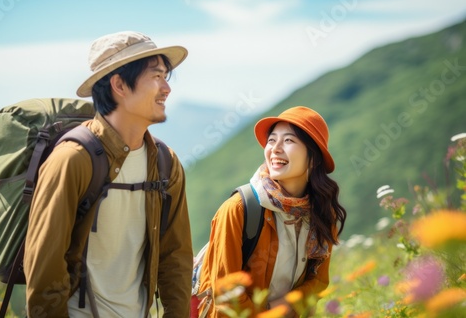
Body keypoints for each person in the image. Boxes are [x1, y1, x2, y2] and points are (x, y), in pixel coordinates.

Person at [23, 31, 193, 317]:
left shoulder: (165, 162)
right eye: (156, 76)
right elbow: (44, 267)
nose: (167, 88)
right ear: (119, 85)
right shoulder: (73, 160)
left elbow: (175, 257)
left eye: (167, 77)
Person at [197, 106, 347, 317]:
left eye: (288, 140)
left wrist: (286, 304)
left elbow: (319, 281)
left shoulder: (321, 213)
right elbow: (226, 295)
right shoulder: (239, 209)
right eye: (271, 140)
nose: (275, 148)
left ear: (313, 158)